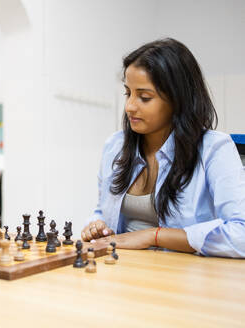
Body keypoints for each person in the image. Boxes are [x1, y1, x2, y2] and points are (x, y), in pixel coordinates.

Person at [82, 38, 245, 258]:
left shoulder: (215, 149)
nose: (130, 106)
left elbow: (241, 233)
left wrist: (154, 235)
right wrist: (97, 225)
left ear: (178, 100)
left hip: (184, 278)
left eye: (144, 97)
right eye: (128, 93)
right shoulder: (115, 145)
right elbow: (102, 211)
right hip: (121, 269)